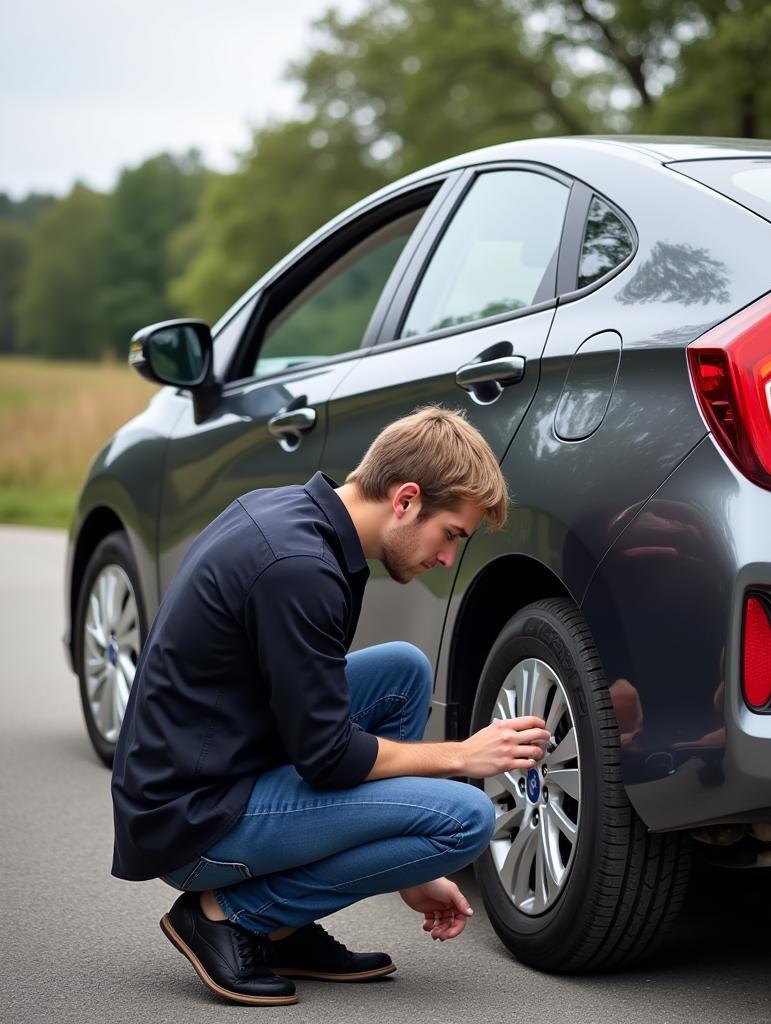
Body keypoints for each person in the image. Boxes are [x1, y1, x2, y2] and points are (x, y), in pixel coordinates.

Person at [110, 406, 550, 1007]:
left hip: (214, 767)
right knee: (465, 817)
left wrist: (413, 872)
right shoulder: (300, 569)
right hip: (192, 822)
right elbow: (329, 758)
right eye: (450, 533)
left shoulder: (296, 518)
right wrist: (461, 757)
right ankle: (230, 914)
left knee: (403, 671)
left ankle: (283, 930)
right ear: (406, 499)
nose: (448, 557)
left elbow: (315, 729)